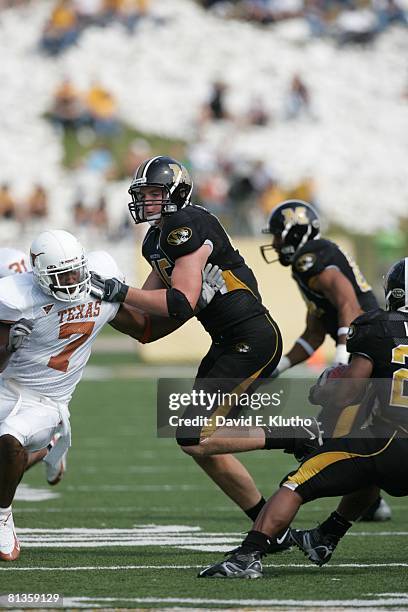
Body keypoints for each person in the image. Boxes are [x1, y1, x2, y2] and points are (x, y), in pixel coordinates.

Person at [90, 155, 287, 534]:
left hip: (252, 339)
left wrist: (118, 289)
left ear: (177, 193)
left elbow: (180, 301)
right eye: (143, 193)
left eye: (154, 193)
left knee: (193, 435)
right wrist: (102, 303)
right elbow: (147, 326)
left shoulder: (186, 224)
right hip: (228, 341)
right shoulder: (156, 239)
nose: (146, 201)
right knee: (197, 443)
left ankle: (298, 435)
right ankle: (268, 525)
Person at [0, 228, 222, 561]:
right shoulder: (16, 296)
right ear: (40, 275)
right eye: (62, 275)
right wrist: (9, 346)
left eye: (77, 270)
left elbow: (144, 330)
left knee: (10, 438)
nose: (73, 281)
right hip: (7, 385)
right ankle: (49, 449)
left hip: (46, 399)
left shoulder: (99, 285)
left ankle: (2, 516)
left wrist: (192, 307)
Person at [198, 257, 408, 578]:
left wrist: (327, 390)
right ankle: (327, 535)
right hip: (387, 446)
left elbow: (350, 392)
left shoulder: (379, 326)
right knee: (368, 473)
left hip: (392, 441)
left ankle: (248, 555)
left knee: (296, 484)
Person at [260, 199, 390, 521]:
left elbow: (348, 302)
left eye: (278, 234)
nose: (275, 242)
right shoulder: (307, 263)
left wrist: (344, 356)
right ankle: (370, 502)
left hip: (368, 353)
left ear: (295, 233)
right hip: (370, 349)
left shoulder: (311, 257)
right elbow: (314, 333)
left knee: (334, 430)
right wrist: (276, 368)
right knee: (346, 431)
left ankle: (311, 494)